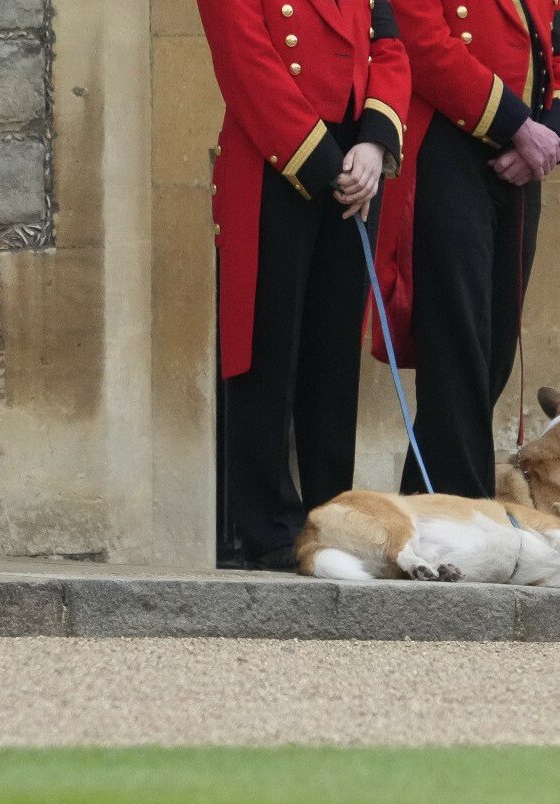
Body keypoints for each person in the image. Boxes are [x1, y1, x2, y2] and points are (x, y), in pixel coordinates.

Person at [198, 0, 411, 569]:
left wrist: (375, 140)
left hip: (357, 165)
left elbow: (388, 44)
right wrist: (324, 161)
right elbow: (246, 60)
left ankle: (331, 520)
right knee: (266, 352)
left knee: (333, 357)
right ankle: (268, 531)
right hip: (275, 161)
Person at [373, 0, 560, 498]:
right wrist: (517, 126)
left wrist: (552, 134)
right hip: (450, 150)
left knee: (494, 348)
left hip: (523, 161)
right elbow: (425, 44)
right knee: (458, 344)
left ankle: (428, 505)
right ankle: (466, 506)